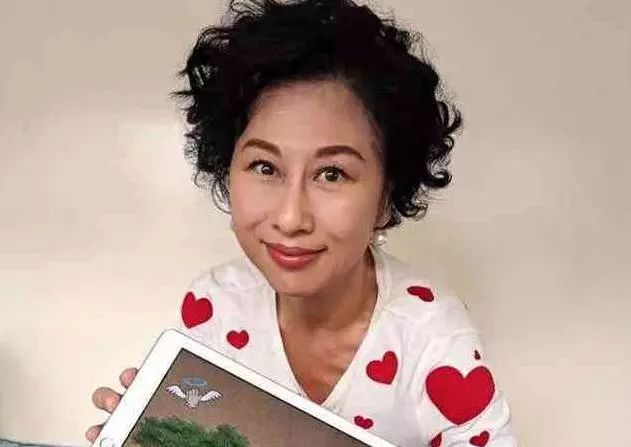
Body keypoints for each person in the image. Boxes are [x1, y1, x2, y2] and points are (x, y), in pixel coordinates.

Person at [87, 0, 517, 445]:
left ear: (386, 198)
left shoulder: (432, 336)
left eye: (332, 174)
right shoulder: (215, 305)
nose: (291, 218)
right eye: (265, 167)